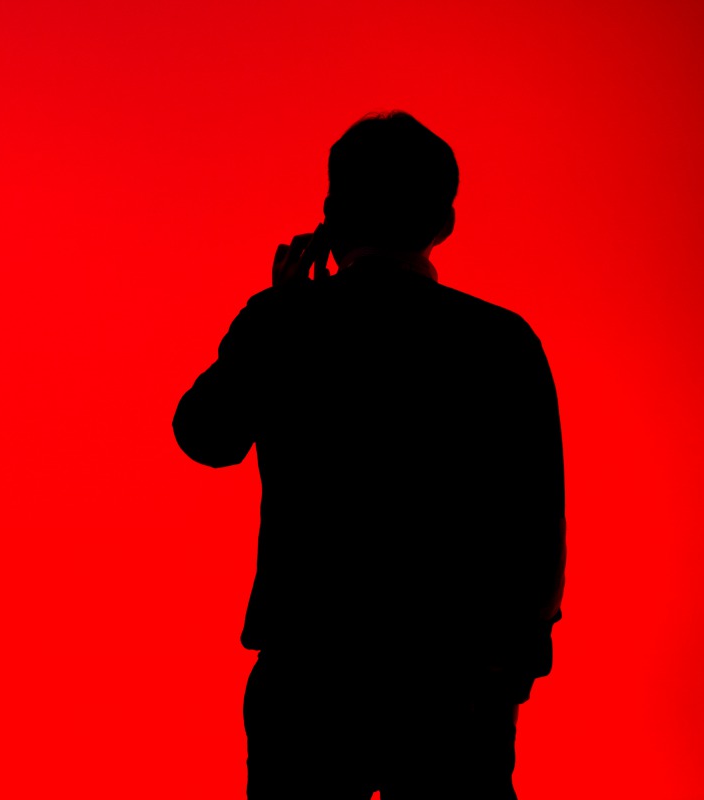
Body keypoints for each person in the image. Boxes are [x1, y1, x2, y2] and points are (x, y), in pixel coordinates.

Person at [172, 111, 566, 799]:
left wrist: (276, 312)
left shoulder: (285, 323)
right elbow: (535, 516)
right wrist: (515, 669)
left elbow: (206, 436)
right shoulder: (501, 340)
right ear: (445, 220)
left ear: (331, 215)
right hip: (456, 674)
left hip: (311, 665)